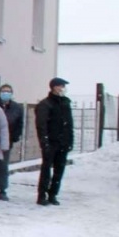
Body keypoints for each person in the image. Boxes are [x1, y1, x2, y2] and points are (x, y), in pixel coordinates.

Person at [36, 77, 74, 205]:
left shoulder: (65, 103)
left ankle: (53, 194)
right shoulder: (46, 104)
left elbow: (69, 124)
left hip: (63, 142)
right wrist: (44, 142)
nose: (62, 89)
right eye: (60, 86)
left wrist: (70, 141)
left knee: (59, 170)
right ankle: (42, 195)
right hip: (51, 142)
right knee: (46, 169)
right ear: (54, 87)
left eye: (63, 86)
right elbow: (41, 125)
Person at [0, 83, 26, 201]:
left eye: (8, 91)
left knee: (3, 166)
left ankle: (2, 189)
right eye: (3, 91)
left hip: (7, 141)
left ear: (12, 94)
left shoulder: (17, 108)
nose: (5, 93)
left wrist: (15, 137)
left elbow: (20, 124)